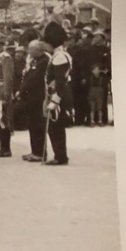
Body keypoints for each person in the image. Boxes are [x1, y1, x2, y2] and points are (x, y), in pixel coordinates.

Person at [43, 21, 74, 165]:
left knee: (56, 127)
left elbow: (60, 81)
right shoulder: (59, 55)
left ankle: (60, 156)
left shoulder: (60, 57)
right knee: (55, 127)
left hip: (59, 95)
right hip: (59, 93)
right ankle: (60, 155)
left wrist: (54, 102)